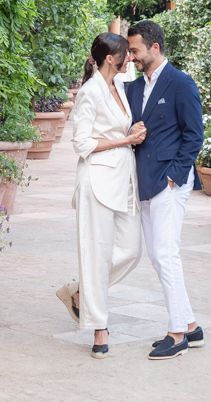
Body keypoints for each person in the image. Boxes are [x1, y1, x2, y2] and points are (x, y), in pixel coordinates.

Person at [55, 33, 147, 359]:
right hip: (96, 180)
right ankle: (99, 327)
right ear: (111, 58)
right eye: (126, 54)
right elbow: (81, 144)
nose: (131, 59)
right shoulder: (90, 91)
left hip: (123, 179)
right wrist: (127, 140)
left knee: (131, 250)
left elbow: (122, 128)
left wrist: (135, 132)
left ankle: (81, 293)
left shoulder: (120, 87)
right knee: (96, 254)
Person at [125, 20, 205, 360]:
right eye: (129, 51)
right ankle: (189, 325)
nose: (131, 57)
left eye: (135, 50)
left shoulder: (180, 83)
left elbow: (194, 135)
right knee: (159, 256)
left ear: (155, 48)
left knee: (166, 254)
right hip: (144, 180)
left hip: (169, 182)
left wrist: (175, 175)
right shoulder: (132, 87)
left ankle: (176, 334)